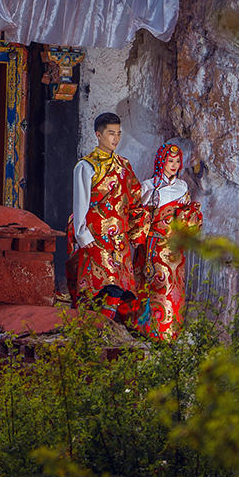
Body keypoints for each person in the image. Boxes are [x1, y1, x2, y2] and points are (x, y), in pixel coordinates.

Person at [67, 112, 147, 323]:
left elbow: (135, 198)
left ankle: (106, 330)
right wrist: (83, 237)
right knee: (102, 287)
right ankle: (95, 330)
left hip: (119, 240)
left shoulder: (124, 166)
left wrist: (136, 232)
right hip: (96, 238)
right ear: (98, 135)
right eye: (111, 133)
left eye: (118, 134)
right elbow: (80, 205)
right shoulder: (86, 166)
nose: (115, 139)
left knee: (121, 290)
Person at [134, 143, 202, 340]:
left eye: (177, 161)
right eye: (170, 161)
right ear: (161, 162)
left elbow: (188, 215)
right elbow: (139, 216)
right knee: (154, 283)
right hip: (153, 245)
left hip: (175, 248)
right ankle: (148, 329)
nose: (174, 165)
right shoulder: (148, 187)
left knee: (175, 285)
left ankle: (170, 330)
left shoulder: (183, 186)